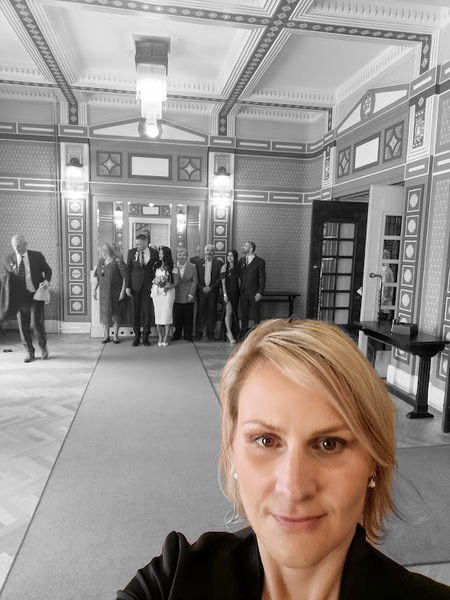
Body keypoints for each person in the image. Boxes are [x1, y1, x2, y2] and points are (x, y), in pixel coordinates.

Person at [116, 319, 450, 600]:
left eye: (329, 444)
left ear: (373, 462)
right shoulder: (173, 582)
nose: (293, 488)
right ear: (232, 453)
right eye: (266, 440)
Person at [4, 235, 52, 363]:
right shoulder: (9, 259)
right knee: (23, 325)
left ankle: (43, 347)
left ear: (25, 244)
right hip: (20, 298)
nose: (16, 248)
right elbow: (7, 277)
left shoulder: (36, 256)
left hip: (36, 295)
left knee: (37, 323)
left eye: (18, 246)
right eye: (14, 246)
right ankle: (30, 351)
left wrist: (46, 281)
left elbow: (48, 270)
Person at [125, 234, 159, 347]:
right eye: (136, 244)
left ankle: (145, 337)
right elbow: (128, 270)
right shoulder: (131, 252)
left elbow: (157, 269)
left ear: (145, 242)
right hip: (135, 286)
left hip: (148, 286)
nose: (137, 246)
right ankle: (136, 336)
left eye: (139, 244)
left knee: (147, 312)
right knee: (135, 312)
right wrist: (127, 286)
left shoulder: (154, 253)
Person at [93, 242, 126, 344]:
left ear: (107, 251)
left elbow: (125, 278)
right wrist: (94, 289)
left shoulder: (118, 262)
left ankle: (115, 336)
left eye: (102, 252)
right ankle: (106, 335)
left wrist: (123, 291)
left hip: (115, 292)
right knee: (105, 313)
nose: (101, 255)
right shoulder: (101, 263)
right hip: (104, 292)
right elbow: (98, 277)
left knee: (115, 313)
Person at [151, 246, 179, 347]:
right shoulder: (156, 264)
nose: (160, 255)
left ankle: (166, 336)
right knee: (158, 313)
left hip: (168, 292)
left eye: (162, 253)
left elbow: (176, 282)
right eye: (159, 253)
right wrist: (155, 281)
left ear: (166, 254)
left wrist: (168, 287)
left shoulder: (173, 267)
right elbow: (153, 278)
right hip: (157, 292)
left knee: (167, 314)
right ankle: (160, 336)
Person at [194, 244, 223, 342]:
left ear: (214, 252)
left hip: (213, 292)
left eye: (211, 250)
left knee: (212, 313)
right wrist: (202, 288)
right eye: (207, 250)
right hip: (201, 291)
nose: (209, 252)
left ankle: (210, 333)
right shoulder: (197, 262)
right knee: (200, 313)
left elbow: (220, 278)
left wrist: (211, 287)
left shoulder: (218, 263)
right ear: (204, 251)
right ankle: (198, 332)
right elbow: (195, 278)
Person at [239, 241, 266, 339]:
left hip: (254, 293)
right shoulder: (241, 260)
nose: (243, 247)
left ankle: (258, 335)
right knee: (244, 314)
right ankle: (244, 334)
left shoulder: (260, 262)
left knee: (256, 315)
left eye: (245, 246)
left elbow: (262, 278)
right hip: (243, 293)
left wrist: (260, 292)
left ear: (251, 249)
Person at [172, 247, 197, 342]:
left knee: (188, 317)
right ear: (177, 256)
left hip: (188, 293)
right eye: (180, 255)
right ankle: (177, 334)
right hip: (177, 293)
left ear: (187, 256)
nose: (181, 257)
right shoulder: (173, 266)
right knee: (177, 316)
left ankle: (188, 335)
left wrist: (191, 294)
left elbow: (195, 281)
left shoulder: (192, 266)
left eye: (183, 255)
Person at [220, 249, 240, 344]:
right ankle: (229, 333)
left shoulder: (238, 268)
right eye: (228, 255)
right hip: (227, 293)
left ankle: (233, 331)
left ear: (235, 257)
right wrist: (225, 295)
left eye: (231, 255)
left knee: (233, 313)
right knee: (228, 312)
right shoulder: (224, 267)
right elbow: (223, 283)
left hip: (235, 294)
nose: (229, 257)